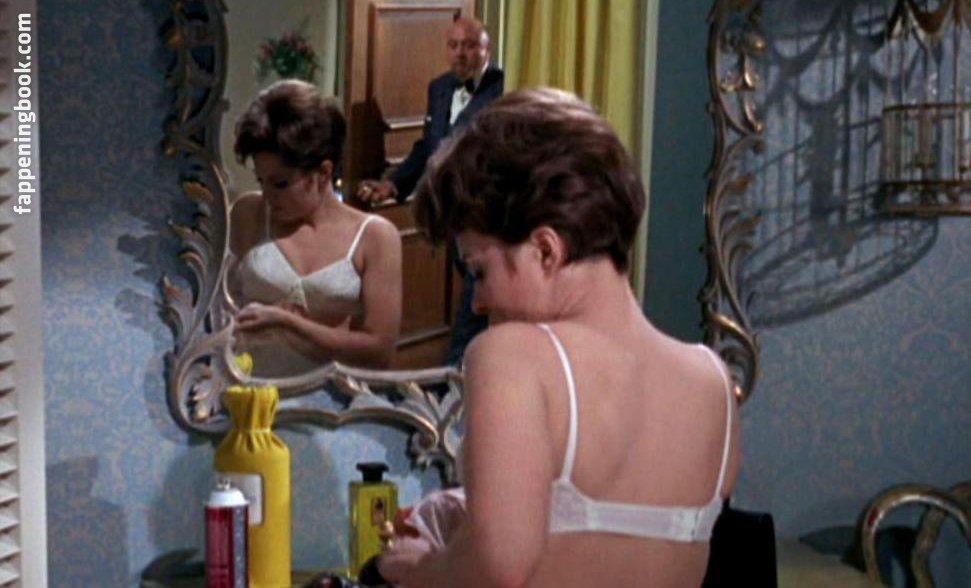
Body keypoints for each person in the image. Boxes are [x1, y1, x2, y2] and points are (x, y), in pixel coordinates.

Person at [375, 89, 741, 587]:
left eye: (479, 271)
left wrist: (418, 566)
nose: (477, 302)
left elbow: (497, 568)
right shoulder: (713, 382)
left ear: (546, 250)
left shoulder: (514, 355)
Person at [357, 16, 504, 366]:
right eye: (454, 46)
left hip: (485, 219)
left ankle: (449, 379)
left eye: (470, 46)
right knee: (475, 305)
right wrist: (395, 184)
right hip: (448, 215)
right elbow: (427, 147)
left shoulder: (503, 89)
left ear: (487, 50)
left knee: (474, 306)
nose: (461, 54)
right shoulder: (439, 87)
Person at [229, 79, 402, 376]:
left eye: (280, 183)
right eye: (261, 181)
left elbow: (379, 351)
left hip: (332, 395)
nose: (268, 196)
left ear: (323, 172)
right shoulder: (249, 213)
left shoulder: (375, 237)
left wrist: (290, 324)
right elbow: (216, 310)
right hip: (251, 389)